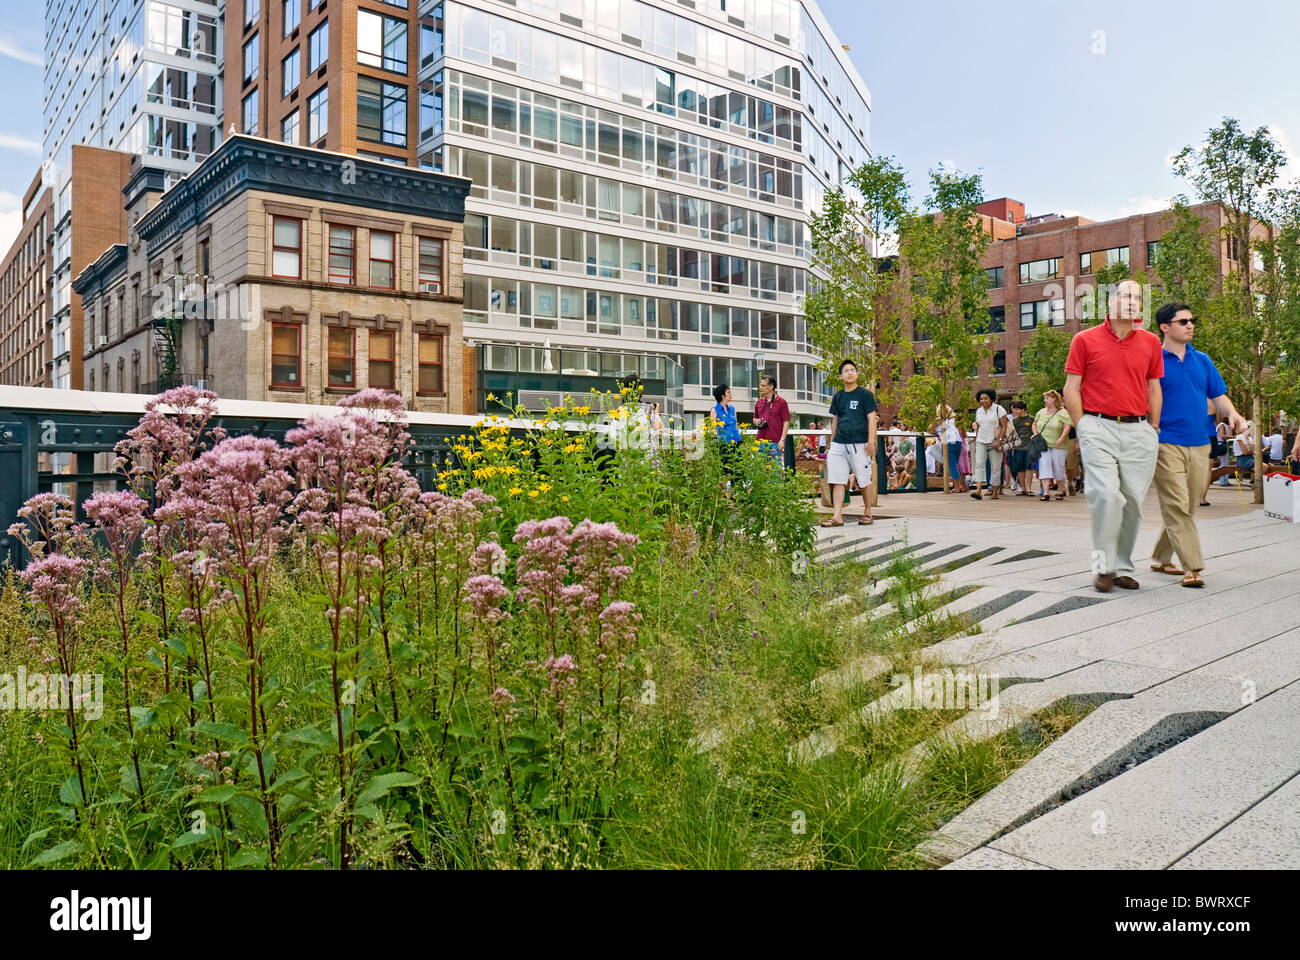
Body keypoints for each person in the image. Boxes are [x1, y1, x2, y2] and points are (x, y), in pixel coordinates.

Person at [1063, 278, 1164, 592]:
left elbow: (1153, 387)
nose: (1132, 301)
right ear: (1109, 302)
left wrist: (1153, 427)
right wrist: (1084, 427)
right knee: (1105, 496)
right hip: (1098, 426)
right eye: (1126, 296)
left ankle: (1120, 566)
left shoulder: (1150, 342)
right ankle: (1102, 568)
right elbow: (1071, 388)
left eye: (1138, 297)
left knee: (1132, 501)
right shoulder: (1085, 339)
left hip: (1139, 430)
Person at [1147, 302, 1246, 588]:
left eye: (1192, 320)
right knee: (1178, 505)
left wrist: (1233, 414)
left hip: (1200, 443)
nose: (1190, 325)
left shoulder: (1202, 359)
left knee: (1187, 505)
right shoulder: (1152, 359)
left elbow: (1218, 395)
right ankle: (1193, 567)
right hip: (1165, 442)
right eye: (1183, 321)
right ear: (1165, 327)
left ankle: (1159, 557)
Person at [821, 359, 878, 527]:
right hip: (839, 443)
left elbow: (871, 419)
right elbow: (835, 420)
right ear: (841, 376)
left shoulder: (865, 395)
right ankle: (837, 516)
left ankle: (867, 511)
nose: (850, 372)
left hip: (860, 443)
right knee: (837, 479)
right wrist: (832, 444)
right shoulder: (838, 396)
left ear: (857, 374)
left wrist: (871, 441)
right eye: (846, 370)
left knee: (863, 479)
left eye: (852, 370)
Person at [1032, 390, 1072, 500]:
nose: (1045, 400)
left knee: (1058, 467)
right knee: (1044, 465)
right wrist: (1035, 433)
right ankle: (1046, 492)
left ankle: (1060, 489)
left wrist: (1061, 438)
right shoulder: (1041, 412)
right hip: (1043, 445)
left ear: (1054, 399)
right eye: (1044, 398)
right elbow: (1034, 423)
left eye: (1047, 398)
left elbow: (1067, 426)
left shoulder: (1062, 412)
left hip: (1059, 445)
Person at [970, 388, 1008, 501]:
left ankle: (995, 490)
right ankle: (978, 490)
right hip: (981, 441)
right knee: (979, 465)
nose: (983, 401)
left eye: (986, 398)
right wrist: (975, 427)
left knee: (995, 467)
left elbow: (1004, 425)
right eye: (981, 399)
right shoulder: (978, 411)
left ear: (991, 398)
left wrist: (999, 440)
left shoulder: (998, 409)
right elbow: (979, 424)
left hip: (994, 442)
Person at [754, 374, 791, 471]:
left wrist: (782, 439)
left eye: (763, 386)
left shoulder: (781, 402)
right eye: (760, 385)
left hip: (775, 442)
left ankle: (776, 487)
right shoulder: (759, 402)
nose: (760, 388)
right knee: (759, 471)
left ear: (771, 387)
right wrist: (756, 421)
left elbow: (786, 422)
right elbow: (755, 418)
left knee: (776, 471)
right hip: (760, 441)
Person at [935, 404, 967, 493]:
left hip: (949, 444)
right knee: (955, 465)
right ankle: (958, 485)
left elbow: (930, 429)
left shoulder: (941, 422)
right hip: (958, 443)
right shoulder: (955, 420)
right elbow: (964, 432)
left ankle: (957, 487)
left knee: (952, 466)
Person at [1008, 400, 1035, 496]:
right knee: (1020, 468)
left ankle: (1029, 488)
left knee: (1029, 467)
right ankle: (1022, 488)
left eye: (1016, 409)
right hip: (1018, 448)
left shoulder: (1032, 419)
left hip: (1029, 447)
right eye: (1014, 409)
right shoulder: (1014, 421)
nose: (1015, 411)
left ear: (1023, 409)